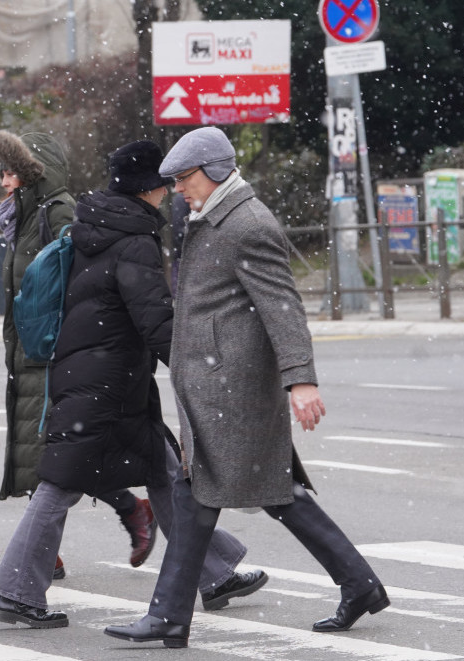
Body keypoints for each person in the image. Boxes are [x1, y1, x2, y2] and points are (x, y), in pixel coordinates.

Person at [105, 128, 388, 648]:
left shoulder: (247, 223)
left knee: (201, 498)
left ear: (213, 171)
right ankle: (360, 584)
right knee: (272, 495)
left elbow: (283, 305)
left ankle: (169, 615)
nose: (179, 189)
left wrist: (300, 378)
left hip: (233, 391)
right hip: (216, 387)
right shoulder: (210, 217)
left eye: (185, 179)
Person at [0, 140, 264, 631]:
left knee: (165, 471)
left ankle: (214, 573)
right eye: (167, 182)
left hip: (94, 373)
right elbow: (154, 319)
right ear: (151, 187)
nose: (173, 190)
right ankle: (17, 591)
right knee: (59, 484)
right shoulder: (133, 238)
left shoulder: (91, 225)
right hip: (106, 383)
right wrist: (196, 369)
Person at [0, 130, 154, 575]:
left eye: (11, 171)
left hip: (57, 351)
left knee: (53, 457)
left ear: (33, 171)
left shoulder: (57, 211)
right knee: (54, 455)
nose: (4, 181)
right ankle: (130, 512)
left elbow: (81, 281)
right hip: (31, 350)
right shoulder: (22, 215)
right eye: (0, 171)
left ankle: (40, 553)